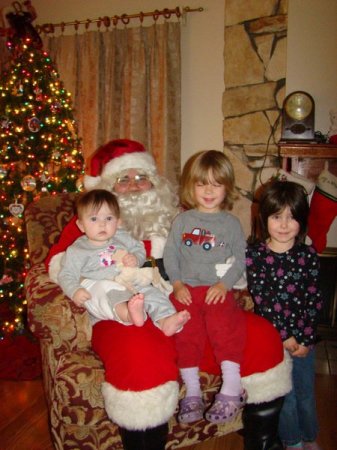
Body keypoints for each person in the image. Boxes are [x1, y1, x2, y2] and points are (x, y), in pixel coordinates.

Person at [46, 139, 292, 450]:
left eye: (142, 177)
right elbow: (56, 266)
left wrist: (224, 275)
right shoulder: (87, 225)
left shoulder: (180, 218)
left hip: (182, 306)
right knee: (141, 357)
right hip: (122, 313)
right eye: (123, 179)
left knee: (261, 336)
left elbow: (221, 257)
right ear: (107, 186)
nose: (135, 186)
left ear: (156, 182)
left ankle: (264, 443)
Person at [163, 150, 247, 424]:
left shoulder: (231, 224)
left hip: (216, 289)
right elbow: (170, 256)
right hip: (186, 289)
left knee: (223, 324)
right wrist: (176, 284)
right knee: (185, 332)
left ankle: (232, 388)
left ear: (227, 188)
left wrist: (225, 284)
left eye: (216, 184)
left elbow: (241, 260)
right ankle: (193, 393)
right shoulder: (183, 221)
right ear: (191, 186)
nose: (208, 191)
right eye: (201, 184)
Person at [246, 180, 324, 450]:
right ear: (264, 218)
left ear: (301, 221)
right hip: (274, 341)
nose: (283, 224)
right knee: (287, 396)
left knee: (305, 393)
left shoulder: (308, 254)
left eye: (292, 217)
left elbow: (315, 298)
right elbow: (264, 301)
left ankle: (310, 436)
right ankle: (293, 442)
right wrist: (285, 337)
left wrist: (306, 338)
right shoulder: (255, 255)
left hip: (304, 342)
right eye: (277, 216)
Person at [58, 189, 190, 336]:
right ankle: (130, 314)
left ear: (118, 222)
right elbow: (66, 274)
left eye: (108, 219)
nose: (102, 225)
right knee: (110, 291)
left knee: (153, 293)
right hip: (105, 289)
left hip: (131, 282)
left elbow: (139, 249)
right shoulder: (77, 250)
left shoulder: (122, 236)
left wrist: (135, 258)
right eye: (94, 219)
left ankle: (166, 320)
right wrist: (75, 290)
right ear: (81, 225)